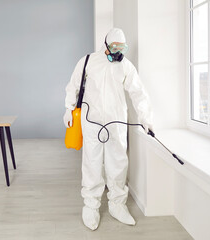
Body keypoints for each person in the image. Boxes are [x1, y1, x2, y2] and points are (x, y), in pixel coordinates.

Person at [63, 28, 153, 230]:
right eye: (115, 47)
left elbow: (139, 93)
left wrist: (146, 118)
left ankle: (117, 205)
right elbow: (73, 86)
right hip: (92, 120)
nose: (118, 51)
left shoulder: (126, 66)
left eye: (122, 48)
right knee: (92, 163)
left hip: (117, 122)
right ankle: (91, 206)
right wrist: (68, 109)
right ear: (106, 45)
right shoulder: (88, 61)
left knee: (118, 163)